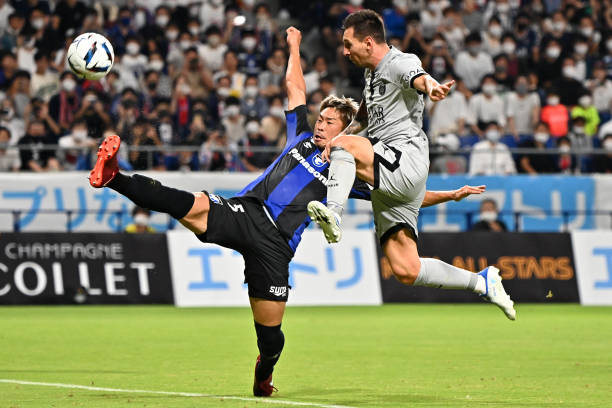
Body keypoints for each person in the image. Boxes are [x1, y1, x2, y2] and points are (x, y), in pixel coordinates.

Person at [88, 26, 487, 398]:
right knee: (187, 203)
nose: (320, 124)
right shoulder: (299, 135)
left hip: (276, 247)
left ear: (345, 131)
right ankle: (114, 177)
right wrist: (294, 47)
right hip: (246, 211)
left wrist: (450, 194)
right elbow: (294, 86)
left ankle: (265, 371)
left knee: (271, 337)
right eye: (320, 118)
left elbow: (402, 196)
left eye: (330, 122)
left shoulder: (349, 168)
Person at [306, 10, 515, 322]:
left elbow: (418, 77)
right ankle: (482, 282)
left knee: (341, 147)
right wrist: (346, 136)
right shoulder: (371, 74)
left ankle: (334, 215)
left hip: (404, 157)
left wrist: (431, 87)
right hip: (392, 180)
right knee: (406, 269)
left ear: (367, 42)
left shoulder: (399, 61)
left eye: (348, 44)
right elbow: (366, 116)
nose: (344, 51)